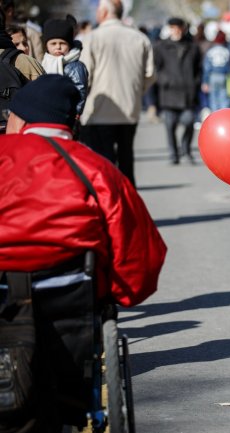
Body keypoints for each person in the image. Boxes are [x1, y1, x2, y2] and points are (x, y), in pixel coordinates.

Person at [0, 74, 166, 432]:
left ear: (23, 120)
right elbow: (139, 262)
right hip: (70, 303)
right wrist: (111, 293)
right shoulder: (97, 169)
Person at [79, 0, 156, 186]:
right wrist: (136, 92)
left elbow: (84, 76)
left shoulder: (91, 39)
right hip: (129, 110)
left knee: (103, 166)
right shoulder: (140, 39)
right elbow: (150, 74)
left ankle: (110, 207)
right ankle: (130, 205)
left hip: (98, 112)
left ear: (104, 12)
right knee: (126, 160)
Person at [154, 17, 201, 165]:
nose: (177, 31)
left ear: (183, 28)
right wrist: (164, 80)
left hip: (188, 93)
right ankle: (173, 153)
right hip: (169, 94)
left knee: (189, 122)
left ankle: (186, 150)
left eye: (179, 27)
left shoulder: (192, 47)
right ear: (169, 29)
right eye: (173, 28)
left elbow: (198, 69)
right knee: (170, 125)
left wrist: (195, 83)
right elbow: (156, 69)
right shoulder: (161, 47)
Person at [41, 15, 88, 117]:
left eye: (62, 43)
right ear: (46, 45)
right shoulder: (45, 62)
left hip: (67, 115)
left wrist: (76, 113)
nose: (58, 47)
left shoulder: (75, 66)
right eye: (53, 43)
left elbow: (80, 92)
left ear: (69, 45)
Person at [202, 30, 230, 112]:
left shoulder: (211, 51)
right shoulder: (226, 51)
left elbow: (207, 68)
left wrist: (205, 81)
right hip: (223, 76)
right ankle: (224, 116)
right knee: (224, 98)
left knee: (213, 99)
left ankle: (215, 116)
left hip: (213, 76)